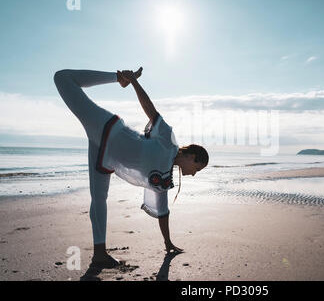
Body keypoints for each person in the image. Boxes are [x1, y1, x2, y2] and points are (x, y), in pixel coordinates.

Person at [53, 68, 208, 268]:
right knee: (62, 78)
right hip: (107, 128)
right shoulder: (168, 140)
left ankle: (99, 254)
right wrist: (132, 81)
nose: (194, 174)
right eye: (197, 167)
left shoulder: (164, 181)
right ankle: (117, 77)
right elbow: (150, 110)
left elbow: (163, 212)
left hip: (105, 158)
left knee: (98, 199)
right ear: (192, 156)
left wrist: (168, 243)